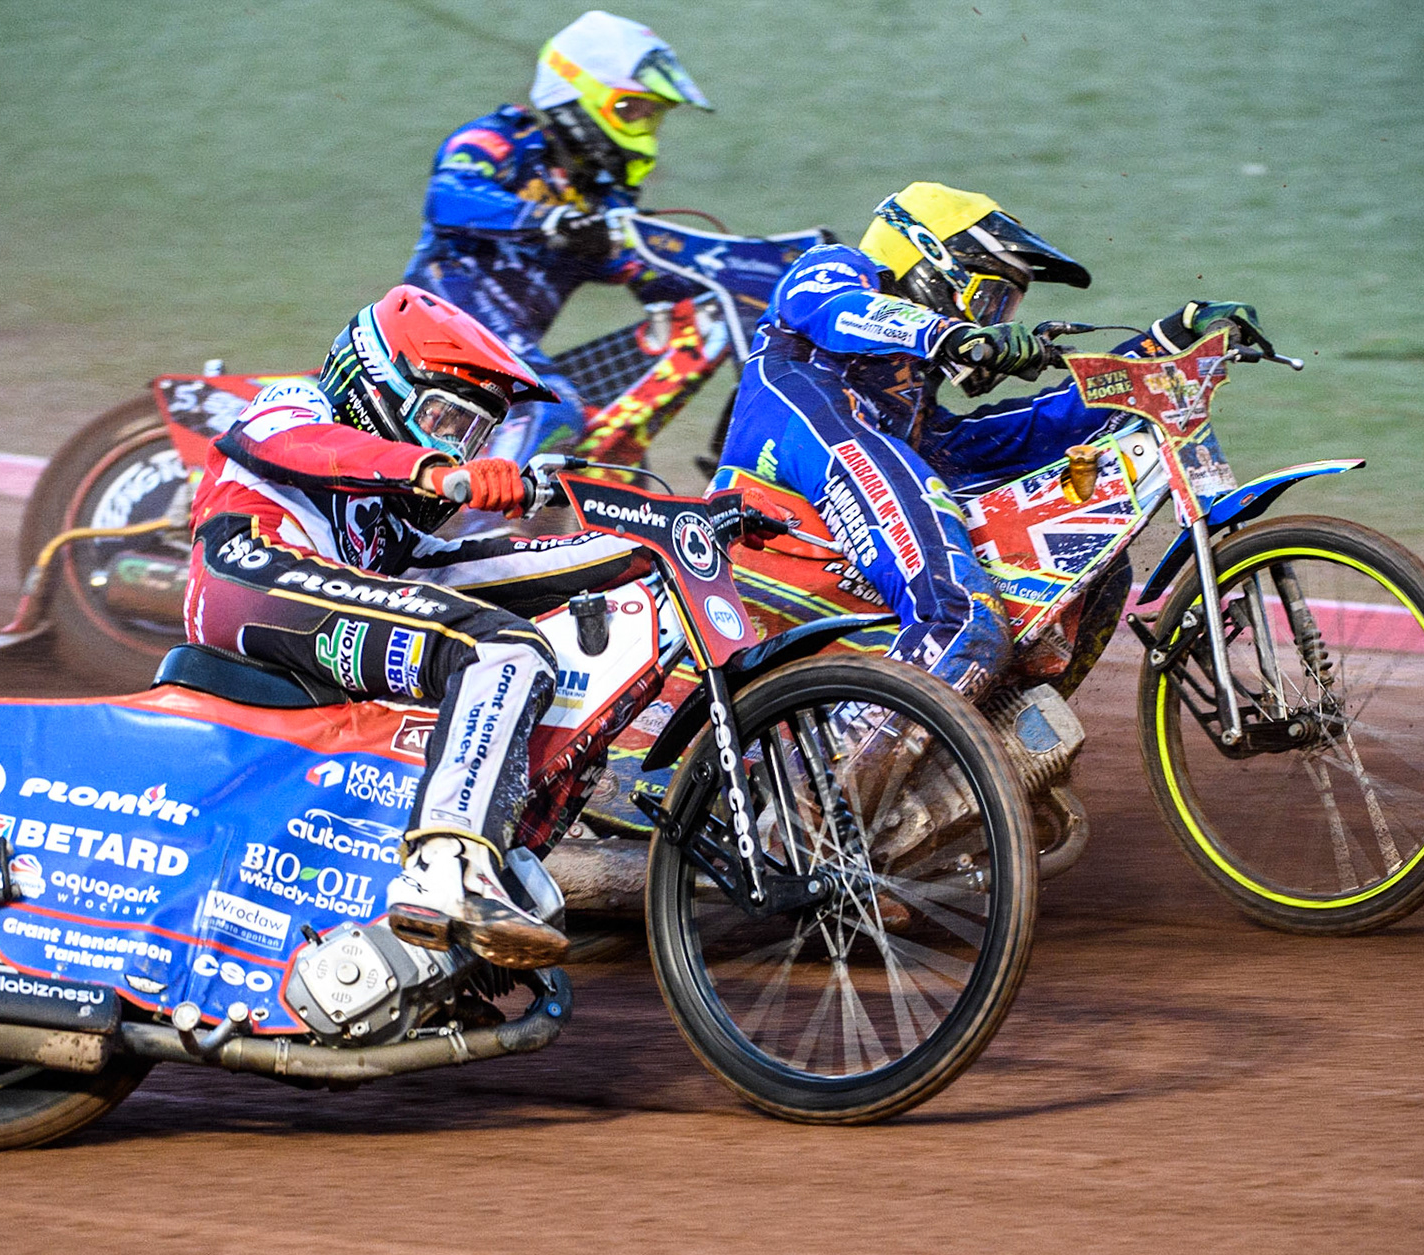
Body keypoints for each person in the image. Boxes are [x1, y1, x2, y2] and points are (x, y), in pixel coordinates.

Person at [183, 285, 656, 968]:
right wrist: (437, 471)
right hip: (247, 573)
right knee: (502, 649)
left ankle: (482, 870)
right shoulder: (295, 404)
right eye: (442, 417)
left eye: (470, 436)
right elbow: (308, 448)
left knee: (555, 665)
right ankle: (444, 870)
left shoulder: (390, 523)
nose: (454, 444)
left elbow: (476, 566)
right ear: (375, 383)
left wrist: (654, 544)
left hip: (304, 598)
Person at [714, 180, 1268, 699]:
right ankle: (841, 781)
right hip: (783, 463)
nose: (998, 320)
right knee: (961, 618)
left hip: (823, 514)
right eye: (991, 300)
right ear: (930, 261)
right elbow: (839, 310)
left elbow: (1018, 431)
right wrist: (953, 333)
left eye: (1007, 310)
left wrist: (1157, 348)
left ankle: (977, 758)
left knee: (1096, 568)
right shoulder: (835, 269)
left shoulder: (910, 409)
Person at [402, 10, 712, 460]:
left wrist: (715, 286)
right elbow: (447, 197)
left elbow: (642, 262)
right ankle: (482, 529)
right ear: (580, 93)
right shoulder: (503, 138)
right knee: (553, 412)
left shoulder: (604, 201)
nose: (646, 130)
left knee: (605, 447)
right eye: (633, 111)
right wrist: (550, 222)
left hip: (494, 355)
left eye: (653, 117)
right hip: (431, 329)